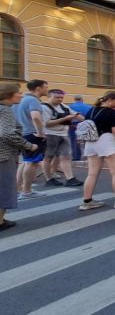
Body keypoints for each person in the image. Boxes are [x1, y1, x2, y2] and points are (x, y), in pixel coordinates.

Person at [80, 91, 115, 210]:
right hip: (107, 141)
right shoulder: (111, 112)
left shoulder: (92, 110)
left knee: (92, 173)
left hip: (91, 142)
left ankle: (87, 201)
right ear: (110, 100)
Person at [0, 83, 40, 231]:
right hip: (4, 154)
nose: (21, 95)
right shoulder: (5, 110)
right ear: (8, 95)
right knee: (5, 187)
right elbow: (7, 134)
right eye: (18, 93)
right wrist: (29, 146)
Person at [41, 89, 84, 187]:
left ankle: (70, 178)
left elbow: (75, 114)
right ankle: (48, 179)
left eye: (61, 97)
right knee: (48, 157)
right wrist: (65, 119)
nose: (60, 99)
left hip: (64, 134)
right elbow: (47, 123)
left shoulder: (63, 106)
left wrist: (86, 121)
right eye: (57, 97)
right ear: (49, 96)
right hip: (50, 134)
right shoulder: (44, 107)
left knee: (65, 156)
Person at [14, 79, 48, 199]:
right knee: (32, 163)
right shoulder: (33, 100)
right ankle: (27, 191)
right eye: (45, 87)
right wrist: (40, 133)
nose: (47, 90)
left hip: (21, 133)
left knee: (25, 162)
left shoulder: (20, 100)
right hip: (32, 134)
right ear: (38, 88)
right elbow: (36, 118)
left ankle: (18, 188)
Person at [68, 94, 92, 161]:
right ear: (82, 99)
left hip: (73, 126)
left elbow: (67, 117)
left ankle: (76, 156)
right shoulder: (89, 107)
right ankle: (88, 156)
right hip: (85, 124)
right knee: (87, 141)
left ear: (74, 100)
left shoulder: (70, 107)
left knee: (74, 141)